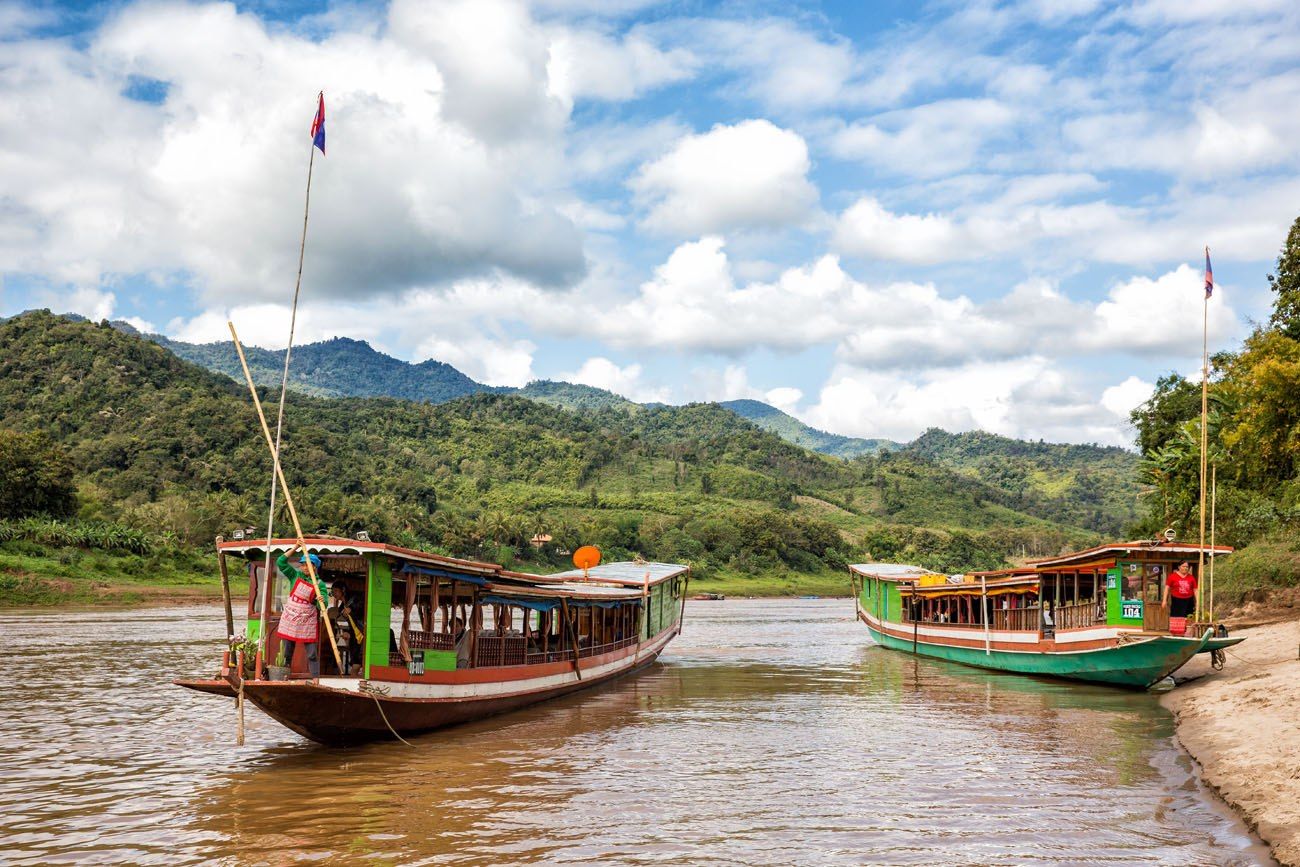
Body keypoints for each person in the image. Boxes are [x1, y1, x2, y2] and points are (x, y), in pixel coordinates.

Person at [275, 546, 326, 677]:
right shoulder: (295, 576)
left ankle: (315, 679)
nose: (304, 568)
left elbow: (323, 606)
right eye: (302, 565)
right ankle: (284, 677)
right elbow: (281, 562)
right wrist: (296, 547)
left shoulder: (319, 584)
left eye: (307, 565)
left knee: (312, 654)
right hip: (291, 618)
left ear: (315, 567)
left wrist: (321, 600)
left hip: (307, 620)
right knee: (287, 652)